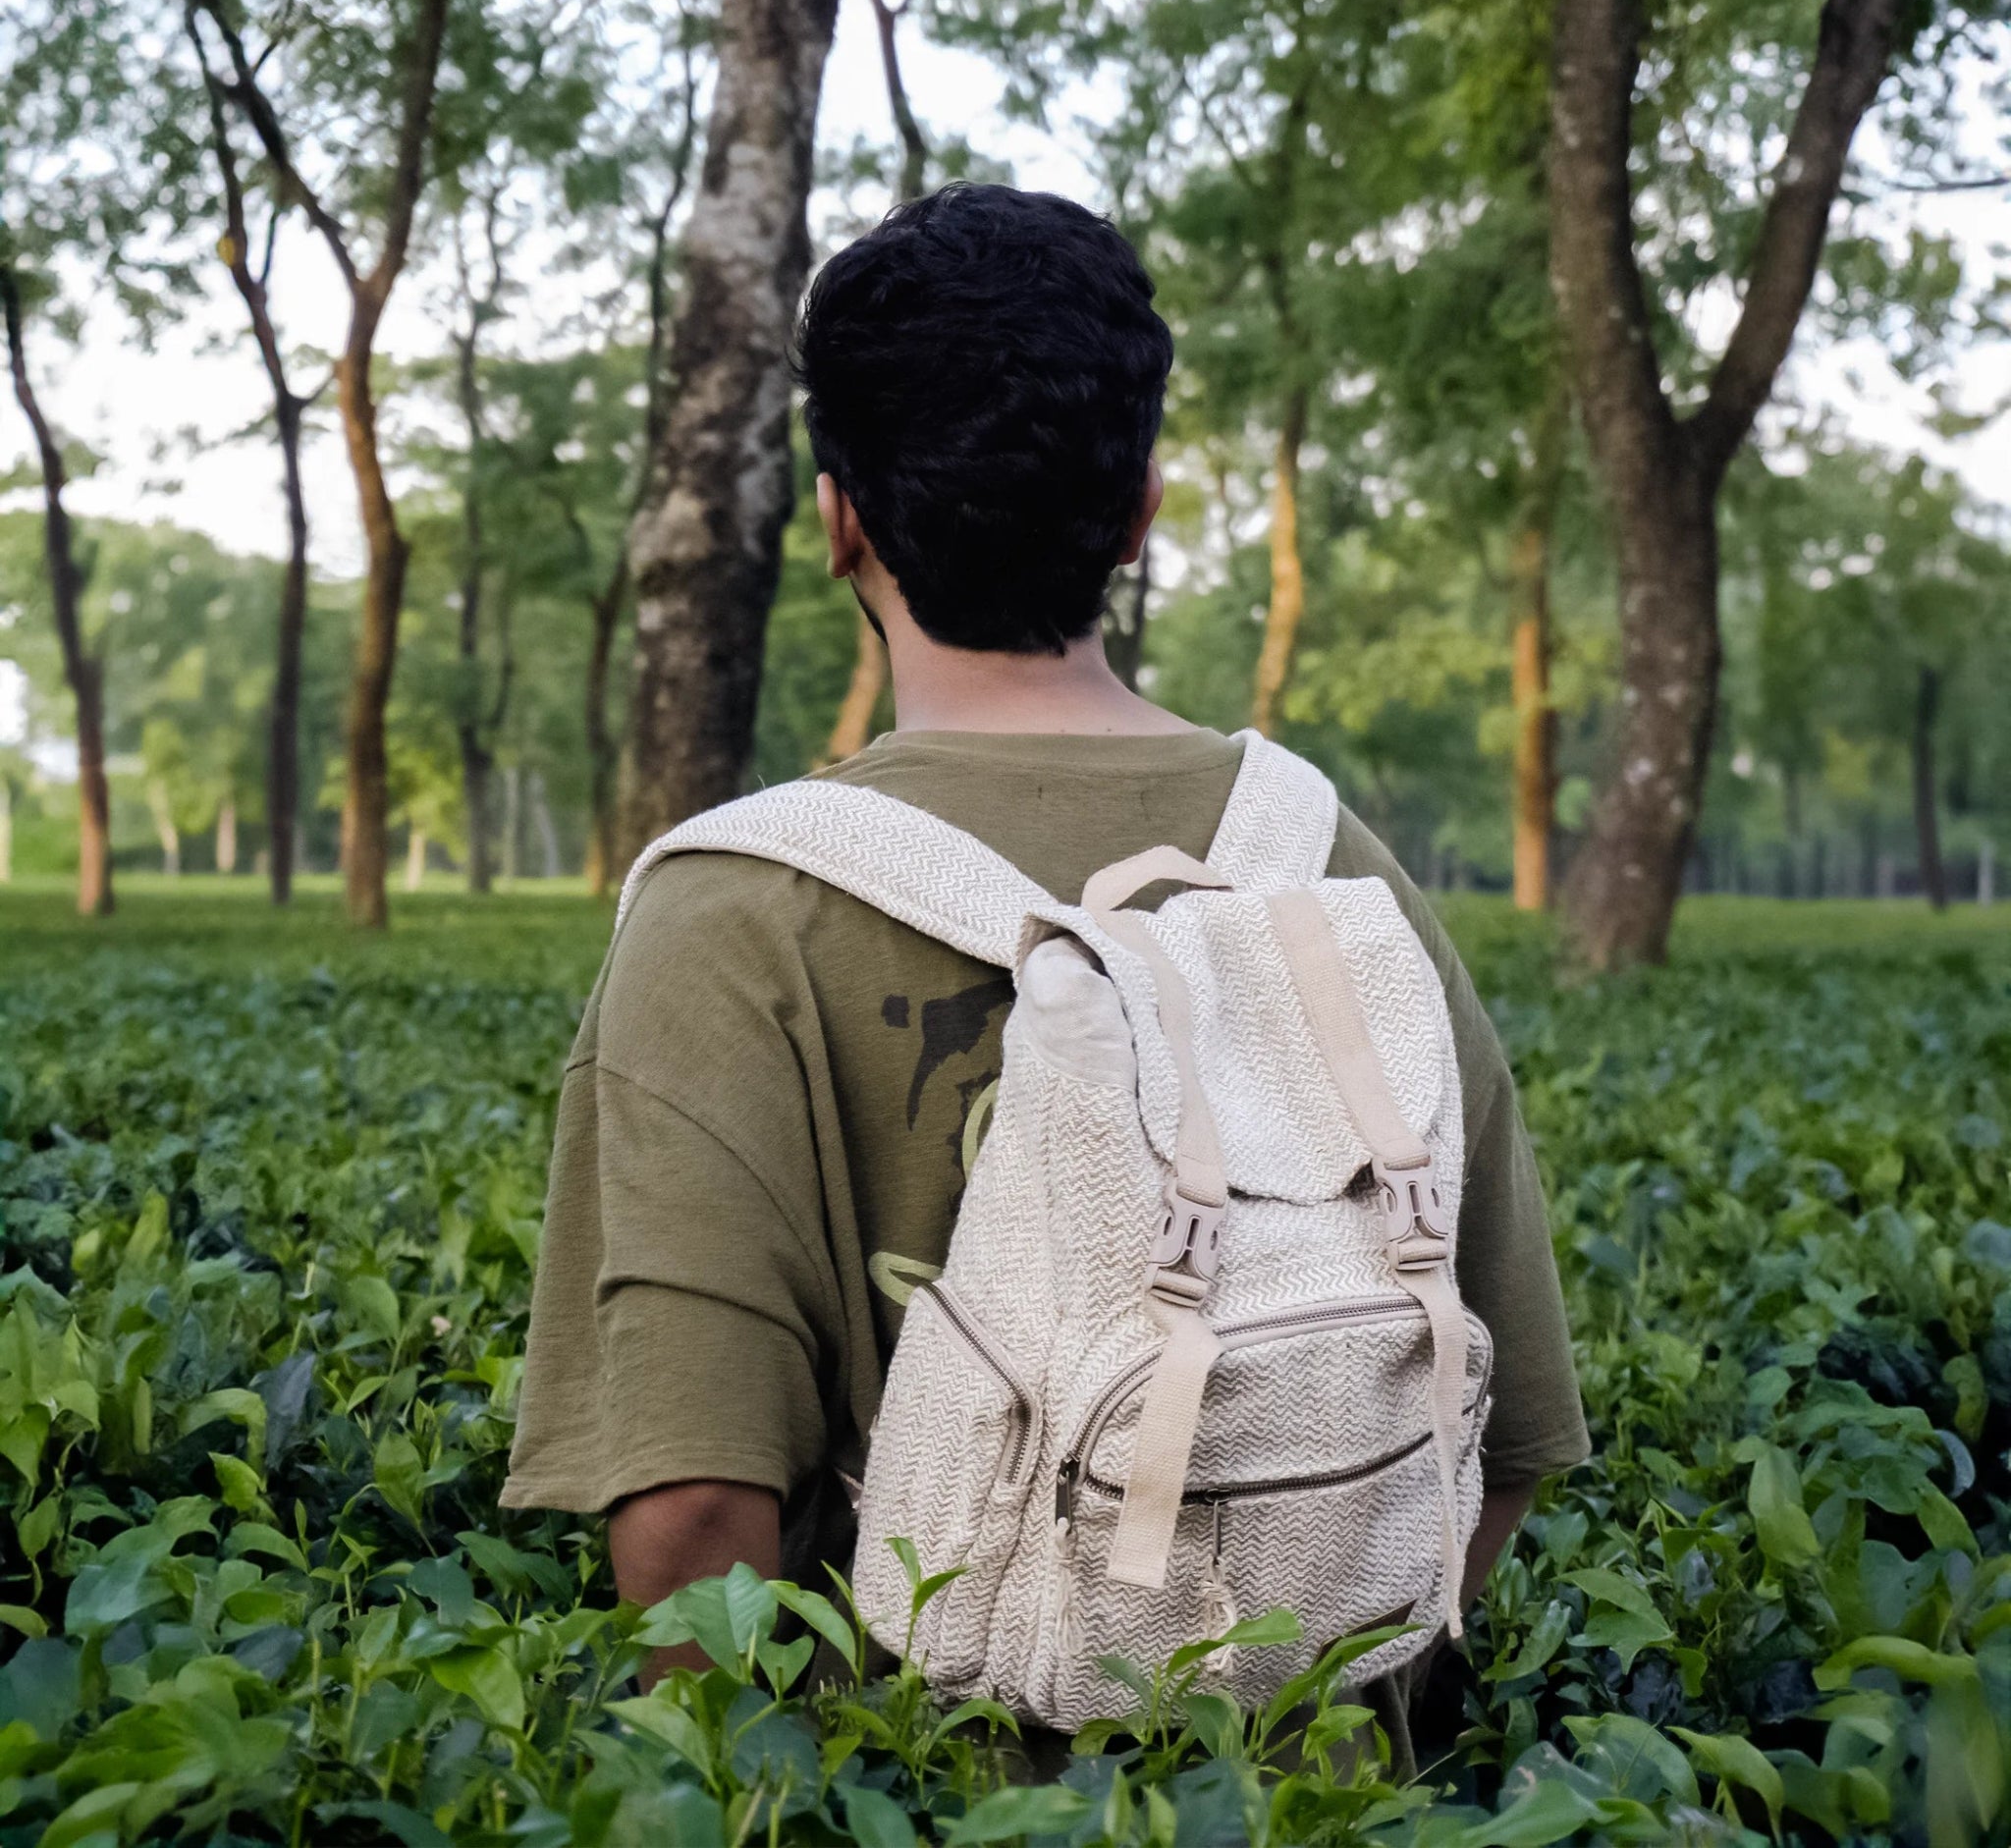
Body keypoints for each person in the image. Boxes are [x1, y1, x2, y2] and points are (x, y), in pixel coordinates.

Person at [504, 183, 1588, 1766]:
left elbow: (694, 1515)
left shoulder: (726, 912)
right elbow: (1497, 1438)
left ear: (840, 523)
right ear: (1139, 510)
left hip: (905, 1790)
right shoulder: (1327, 860)